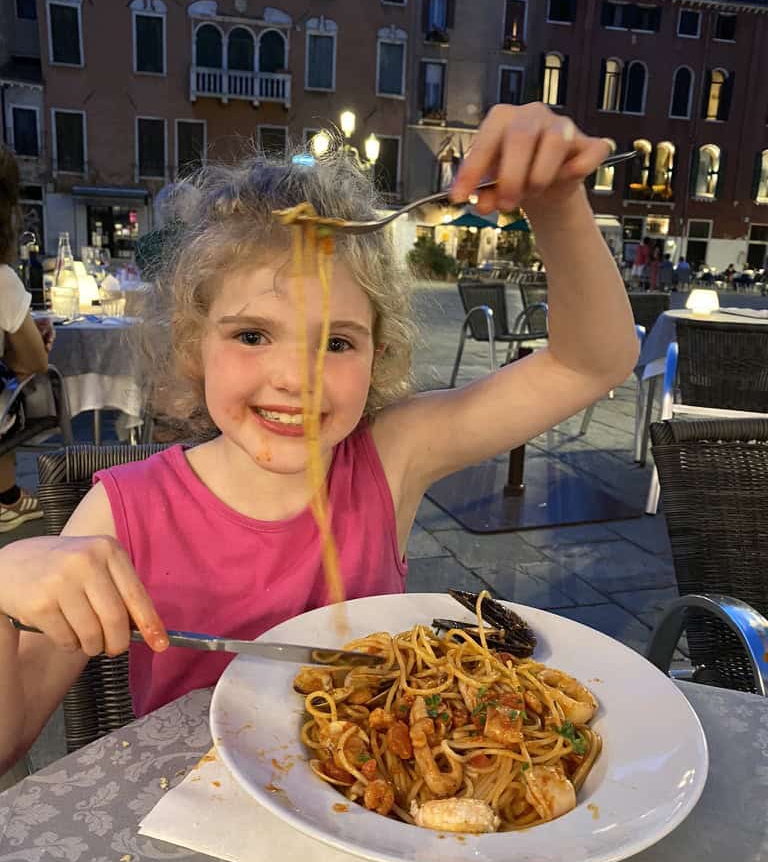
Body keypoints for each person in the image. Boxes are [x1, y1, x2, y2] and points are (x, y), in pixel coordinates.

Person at [0, 103, 638, 773]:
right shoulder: (122, 515)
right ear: (193, 346)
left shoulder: (391, 458)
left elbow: (588, 363)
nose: (296, 379)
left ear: (379, 354)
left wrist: (559, 203)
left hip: (374, 811)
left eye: (337, 342)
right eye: (252, 335)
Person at [0, 147, 53, 533]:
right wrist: (31, 341)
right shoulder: (2, 279)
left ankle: (9, 496)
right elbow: (34, 363)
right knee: (18, 390)